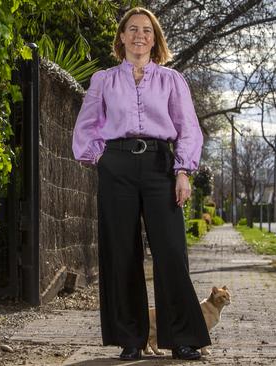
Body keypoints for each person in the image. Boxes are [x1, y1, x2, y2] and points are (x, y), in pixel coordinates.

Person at [72, 7, 211, 361]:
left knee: (171, 251)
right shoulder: (104, 80)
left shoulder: (171, 80)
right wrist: (100, 157)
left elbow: (188, 128)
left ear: (155, 38)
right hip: (116, 165)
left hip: (160, 166)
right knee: (121, 251)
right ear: (121, 37)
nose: (139, 36)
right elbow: (86, 127)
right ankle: (130, 339)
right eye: (132, 29)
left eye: (147, 31)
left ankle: (181, 337)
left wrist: (183, 172)